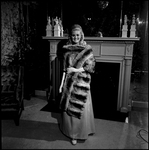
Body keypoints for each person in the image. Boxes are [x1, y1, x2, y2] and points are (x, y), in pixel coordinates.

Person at [59, 24, 96, 145]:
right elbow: (65, 69)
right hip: (69, 83)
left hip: (82, 82)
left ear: (81, 36)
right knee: (70, 109)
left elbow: (90, 67)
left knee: (81, 108)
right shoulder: (66, 49)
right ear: (71, 36)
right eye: (73, 35)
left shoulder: (87, 48)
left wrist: (75, 70)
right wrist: (61, 84)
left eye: (77, 35)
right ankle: (72, 134)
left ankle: (84, 131)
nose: (75, 37)